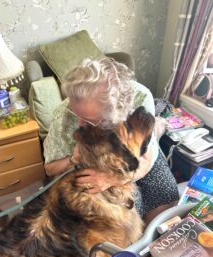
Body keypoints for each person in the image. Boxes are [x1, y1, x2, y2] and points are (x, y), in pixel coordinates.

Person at [43, 57, 179, 222]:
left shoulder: (140, 98)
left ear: (118, 113)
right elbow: (50, 169)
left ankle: (154, 242)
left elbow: (146, 156)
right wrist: (73, 159)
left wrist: (112, 179)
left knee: (165, 192)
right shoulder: (63, 116)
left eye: (89, 120)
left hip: (137, 155)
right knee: (128, 209)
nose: (79, 123)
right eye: (75, 113)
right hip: (95, 166)